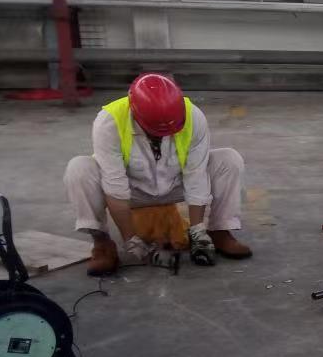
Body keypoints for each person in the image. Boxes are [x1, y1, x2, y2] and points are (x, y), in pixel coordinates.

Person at [64, 73, 253, 275]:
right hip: (132, 192)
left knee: (229, 159)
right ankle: (102, 243)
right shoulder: (109, 122)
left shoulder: (193, 116)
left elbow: (196, 174)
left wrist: (197, 232)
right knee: (79, 168)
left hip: (175, 185)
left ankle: (219, 231)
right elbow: (115, 186)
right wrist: (131, 240)